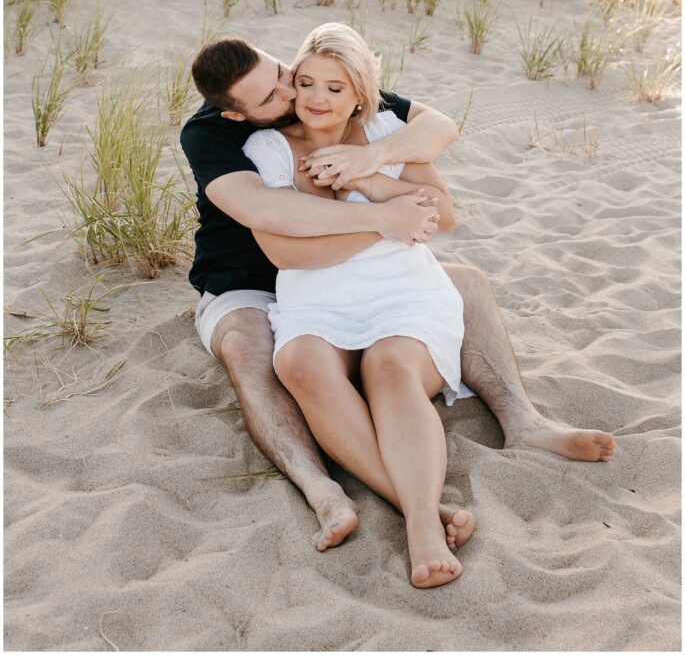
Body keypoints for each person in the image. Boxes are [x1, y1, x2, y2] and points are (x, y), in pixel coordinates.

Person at [180, 27, 616, 555]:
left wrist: (372, 167)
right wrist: (387, 219)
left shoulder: (356, 109)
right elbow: (269, 221)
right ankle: (330, 490)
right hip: (248, 283)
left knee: (461, 291)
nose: (298, 94)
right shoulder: (223, 138)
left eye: (282, 75)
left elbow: (440, 141)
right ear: (237, 112)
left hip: (374, 276)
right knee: (260, 353)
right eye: (276, 95)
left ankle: (523, 422)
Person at [243, 23, 479, 587]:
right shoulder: (267, 147)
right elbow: (287, 252)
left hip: (402, 287)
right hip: (315, 294)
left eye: (335, 87)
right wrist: (388, 221)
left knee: (389, 367)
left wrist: (371, 180)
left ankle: (421, 528)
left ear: (359, 95)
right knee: (298, 363)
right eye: (306, 83)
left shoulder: (385, 131)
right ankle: (417, 502)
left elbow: (442, 216)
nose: (317, 99)